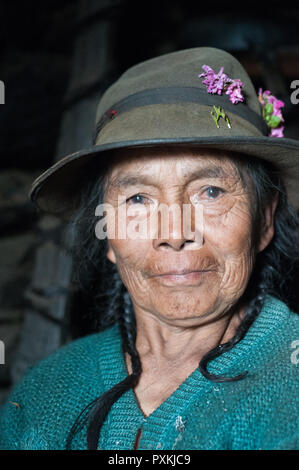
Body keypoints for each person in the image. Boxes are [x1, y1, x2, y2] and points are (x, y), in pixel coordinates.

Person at [0, 47, 298, 450]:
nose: (174, 234)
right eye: (138, 199)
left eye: (210, 191)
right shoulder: (45, 391)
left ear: (263, 222)